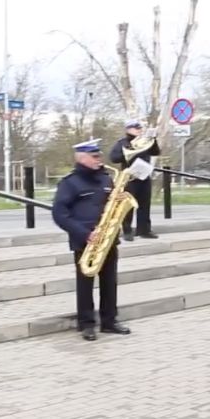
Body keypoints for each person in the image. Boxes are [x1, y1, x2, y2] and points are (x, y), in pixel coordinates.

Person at [52, 138, 131, 341]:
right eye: (95, 157)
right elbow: (60, 214)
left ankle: (109, 321)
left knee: (109, 281)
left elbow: (113, 204)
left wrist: (120, 199)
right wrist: (84, 233)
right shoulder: (70, 183)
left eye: (99, 156)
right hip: (85, 239)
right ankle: (86, 324)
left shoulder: (106, 179)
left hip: (108, 238)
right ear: (82, 158)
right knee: (85, 283)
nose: (100, 160)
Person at [109, 119, 161, 241]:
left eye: (140, 128)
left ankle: (144, 230)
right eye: (136, 128)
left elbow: (155, 152)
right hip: (129, 178)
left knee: (144, 205)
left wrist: (153, 140)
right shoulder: (122, 143)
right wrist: (130, 152)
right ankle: (127, 231)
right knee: (128, 205)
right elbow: (114, 158)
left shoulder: (145, 142)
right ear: (128, 129)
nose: (139, 130)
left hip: (143, 177)